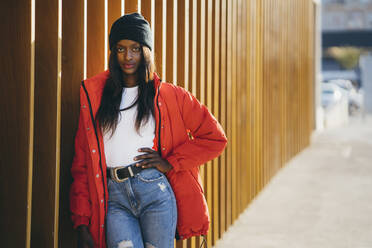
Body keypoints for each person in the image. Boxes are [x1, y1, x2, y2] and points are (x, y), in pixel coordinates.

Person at [70, 13, 227, 248]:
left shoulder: (172, 96)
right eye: (120, 49)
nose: (128, 56)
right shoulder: (95, 97)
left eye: (135, 48)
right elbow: (82, 164)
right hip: (114, 198)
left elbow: (215, 138)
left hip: (155, 192)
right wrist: (81, 221)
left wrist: (171, 162)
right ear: (113, 52)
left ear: (146, 51)